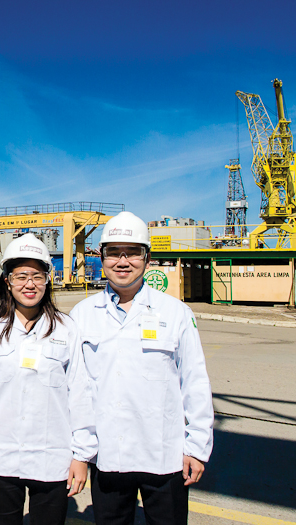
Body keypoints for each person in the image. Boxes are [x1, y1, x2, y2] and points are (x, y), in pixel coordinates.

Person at [70, 212, 214, 525]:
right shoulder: (82, 315)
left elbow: (195, 383)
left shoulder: (175, 313)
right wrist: (80, 453)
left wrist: (197, 447)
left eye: (133, 252)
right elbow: (78, 390)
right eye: (113, 252)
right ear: (102, 257)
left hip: (165, 457)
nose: (123, 261)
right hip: (108, 457)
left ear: (147, 258)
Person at [0, 234, 97, 525]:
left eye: (37, 275)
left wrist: (82, 456)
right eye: (21, 275)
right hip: (1, 458)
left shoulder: (65, 329)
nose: (29, 283)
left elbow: (80, 394)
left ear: (48, 279)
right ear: (7, 281)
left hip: (52, 458)